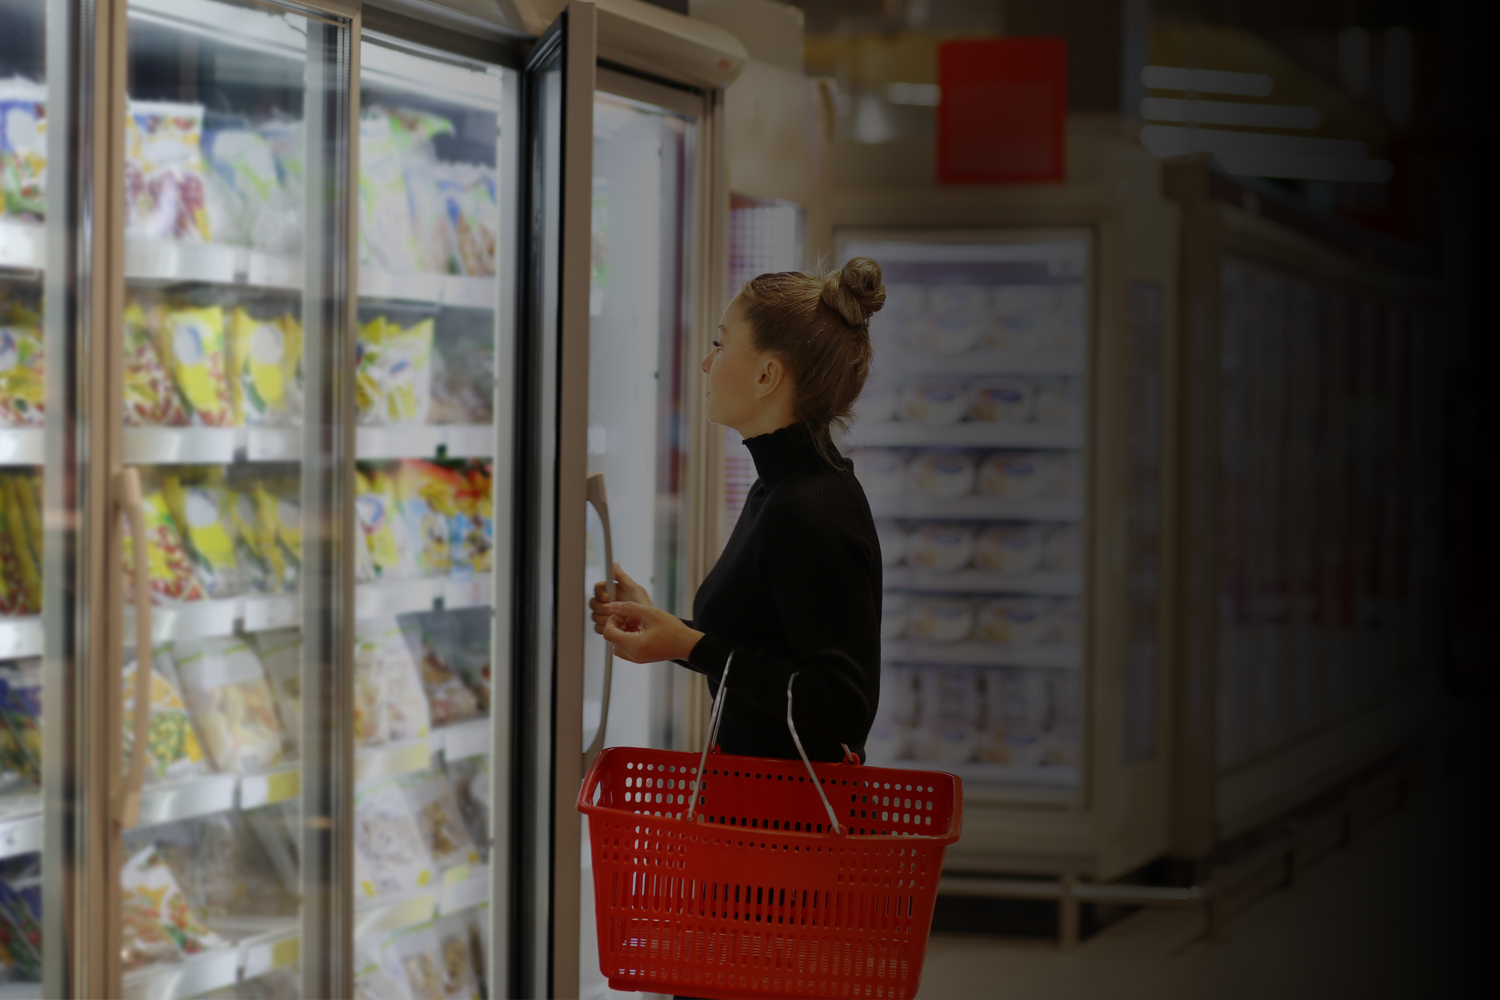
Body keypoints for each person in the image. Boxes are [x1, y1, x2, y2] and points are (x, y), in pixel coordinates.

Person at [589, 257, 886, 763]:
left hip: (793, 833)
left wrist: (690, 646)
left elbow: (842, 706)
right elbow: (769, 646)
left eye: (720, 344)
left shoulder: (810, 507)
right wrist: (669, 631)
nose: (707, 364)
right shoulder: (781, 487)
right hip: (764, 817)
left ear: (767, 374)